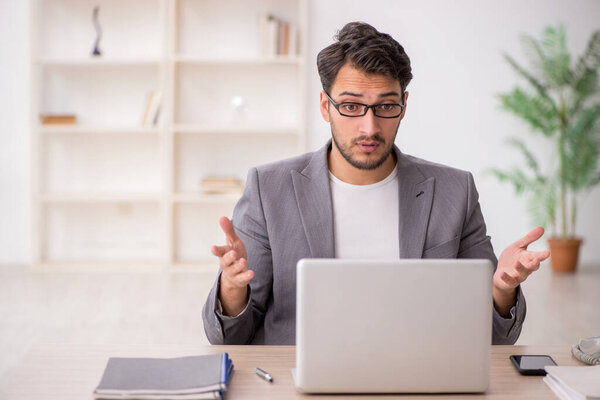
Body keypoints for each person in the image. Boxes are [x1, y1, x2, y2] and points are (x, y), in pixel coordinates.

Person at [202, 22, 550, 345]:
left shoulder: (454, 191)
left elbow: (492, 340)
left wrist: (502, 291)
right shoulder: (269, 189)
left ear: (403, 106)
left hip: (419, 377)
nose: (369, 127)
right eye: (352, 106)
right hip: (302, 380)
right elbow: (229, 339)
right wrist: (232, 288)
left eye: (385, 106)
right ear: (326, 106)